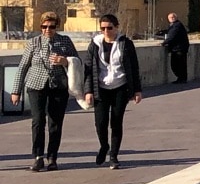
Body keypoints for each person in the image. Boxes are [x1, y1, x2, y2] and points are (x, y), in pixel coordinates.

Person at [81, 14, 142, 169]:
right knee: (100, 123)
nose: (106, 31)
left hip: (120, 86)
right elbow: (88, 69)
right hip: (100, 88)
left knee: (116, 121)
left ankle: (114, 156)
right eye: (103, 28)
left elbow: (134, 67)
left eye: (109, 28)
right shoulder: (94, 44)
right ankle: (104, 145)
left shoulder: (125, 43)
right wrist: (88, 91)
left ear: (116, 27)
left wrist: (137, 90)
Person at [19, 14, 78, 171]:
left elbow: (77, 62)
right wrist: (16, 91)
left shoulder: (65, 41)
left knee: (55, 123)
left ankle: (52, 157)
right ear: (40, 27)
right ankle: (38, 156)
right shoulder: (33, 43)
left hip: (58, 86)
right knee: (38, 121)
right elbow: (23, 66)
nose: (48, 30)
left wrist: (64, 61)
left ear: (57, 27)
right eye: (44, 27)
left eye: (51, 26)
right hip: (36, 85)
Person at [161, 12, 189, 84]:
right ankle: (182, 78)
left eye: (172, 17)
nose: (171, 19)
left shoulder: (176, 26)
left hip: (178, 49)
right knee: (181, 64)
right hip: (180, 48)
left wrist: (164, 43)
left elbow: (172, 36)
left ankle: (181, 78)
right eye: (170, 18)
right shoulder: (177, 25)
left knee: (176, 64)